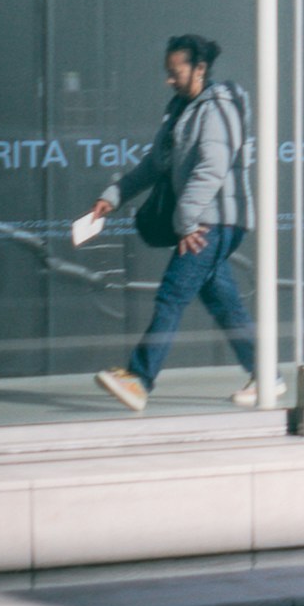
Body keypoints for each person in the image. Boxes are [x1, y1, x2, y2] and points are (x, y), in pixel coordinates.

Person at [84, 33, 260, 412]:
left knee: (172, 295)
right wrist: (111, 197)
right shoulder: (181, 107)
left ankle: (139, 380)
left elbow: (212, 169)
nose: (168, 79)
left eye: (174, 72)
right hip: (202, 220)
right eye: (167, 72)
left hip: (215, 222)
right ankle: (265, 374)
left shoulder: (219, 108)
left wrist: (186, 221)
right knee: (224, 302)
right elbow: (154, 166)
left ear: (199, 68)